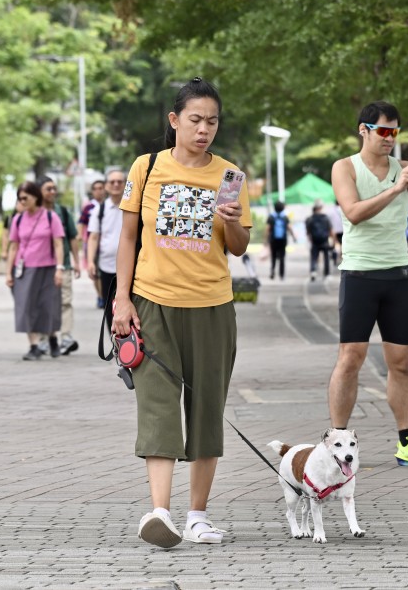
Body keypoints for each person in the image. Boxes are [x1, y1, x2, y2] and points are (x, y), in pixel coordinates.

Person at [112, 77, 251, 548]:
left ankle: (197, 515)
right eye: (195, 120)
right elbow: (128, 237)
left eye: (212, 121)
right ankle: (159, 513)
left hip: (212, 306)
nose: (204, 129)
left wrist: (232, 225)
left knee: (206, 407)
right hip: (152, 303)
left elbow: (237, 248)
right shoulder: (147, 168)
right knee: (157, 405)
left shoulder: (230, 176)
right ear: (174, 121)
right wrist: (121, 298)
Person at [327, 101, 408, 467]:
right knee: (351, 358)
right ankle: (337, 441)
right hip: (359, 276)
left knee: (401, 362)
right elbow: (353, 212)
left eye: (395, 132)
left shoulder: (405, 168)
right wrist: (397, 188)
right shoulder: (344, 168)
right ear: (363, 131)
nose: (390, 139)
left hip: (398, 275)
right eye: (383, 131)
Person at [6, 180, 65, 361]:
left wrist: (59, 268)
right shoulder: (18, 219)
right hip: (24, 268)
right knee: (25, 306)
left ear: (35, 197)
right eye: (19, 198)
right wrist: (8, 272)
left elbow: (58, 244)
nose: (22, 201)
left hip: (47, 267)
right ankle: (34, 345)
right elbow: (13, 247)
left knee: (48, 305)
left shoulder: (50, 217)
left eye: (25, 197)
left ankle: (52, 337)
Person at [37, 176, 80, 356]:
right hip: (39, 266)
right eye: (48, 189)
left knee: (65, 301)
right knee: (42, 304)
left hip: (64, 265)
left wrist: (76, 261)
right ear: (39, 191)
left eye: (54, 188)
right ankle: (43, 340)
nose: (53, 192)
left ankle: (66, 337)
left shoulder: (62, 212)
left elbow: (72, 237)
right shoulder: (33, 212)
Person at [86, 169, 126, 313]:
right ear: (107, 186)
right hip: (106, 266)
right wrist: (90, 261)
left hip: (131, 267)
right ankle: (112, 336)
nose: (116, 185)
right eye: (112, 182)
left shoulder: (134, 207)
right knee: (109, 310)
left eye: (119, 182)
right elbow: (93, 237)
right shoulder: (100, 210)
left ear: (126, 184)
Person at [78, 179, 106, 307]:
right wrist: (79, 235)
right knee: (94, 272)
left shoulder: (110, 205)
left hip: (106, 243)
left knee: (105, 272)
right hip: (92, 244)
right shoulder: (89, 207)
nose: (99, 191)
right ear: (93, 191)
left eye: (101, 188)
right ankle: (101, 296)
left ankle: (105, 296)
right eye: (96, 189)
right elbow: (81, 223)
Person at [304, 199, 333, 281]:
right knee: (326, 257)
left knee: (313, 257)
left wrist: (309, 238)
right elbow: (331, 230)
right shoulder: (326, 218)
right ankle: (327, 273)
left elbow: (308, 231)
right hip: (324, 240)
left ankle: (313, 271)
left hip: (315, 241)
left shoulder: (310, 218)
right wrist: (333, 240)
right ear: (321, 207)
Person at [266, 200, 295, 280]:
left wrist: (265, 240)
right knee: (282, 257)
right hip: (283, 240)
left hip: (273, 240)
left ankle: (272, 271)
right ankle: (281, 275)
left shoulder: (271, 217)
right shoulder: (285, 217)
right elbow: (289, 227)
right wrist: (293, 237)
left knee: (273, 256)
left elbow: (268, 229)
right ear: (282, 208)